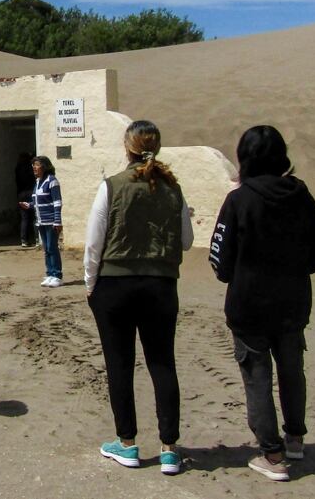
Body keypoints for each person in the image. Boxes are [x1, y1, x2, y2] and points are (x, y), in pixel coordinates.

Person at [209, 125, 315, 482]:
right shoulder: (302, 195)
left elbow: (220, 259)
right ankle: (295, 438)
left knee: (257, 377)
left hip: (249, 306)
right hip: (292, 303)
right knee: (292, 371)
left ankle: (271, 454)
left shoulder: (239, 200)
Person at [84, 120, 193, 475]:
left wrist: (90, 285)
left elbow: (94, 244)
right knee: (162, 363)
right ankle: (169, 448)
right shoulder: (173, 189)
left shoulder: (112, 186)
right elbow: (187, 240)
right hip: (161, 285)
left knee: (119, 364)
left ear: (127, 147)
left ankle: (127, 444)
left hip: (115, 286)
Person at [19, 155, 63, 287]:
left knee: (52, 247)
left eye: (37, 165)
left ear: (44, 167)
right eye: (33, 165)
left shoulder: (52, 181)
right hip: (41, 221)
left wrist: (57, 221)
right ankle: (49, 273)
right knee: (46, 248)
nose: (34, 167)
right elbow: (37, 201)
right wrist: (29, 205)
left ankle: (57, 275)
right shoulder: (38, 182)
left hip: (51, 221)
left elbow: (57, 202)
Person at [15, 152, 35, 247]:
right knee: (35, 216)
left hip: (21, 194)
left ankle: (24, 240)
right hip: (30, 192)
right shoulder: (31, 168)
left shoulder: (18, 168)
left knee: (24, 218)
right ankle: (37, 238)